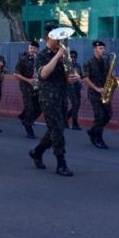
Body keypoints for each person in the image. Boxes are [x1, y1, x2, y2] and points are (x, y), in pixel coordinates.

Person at [28, 25, 81, 176]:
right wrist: (58, 55)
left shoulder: (65, 54)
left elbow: (70, 73)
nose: (59, 40)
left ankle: (37, 152)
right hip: (48, 98)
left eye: (60, 37)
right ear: (47, 38)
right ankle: (61, 163)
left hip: (62, 96)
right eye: (55, 37)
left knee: (57, 128)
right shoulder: (42, 55)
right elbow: (43, 74)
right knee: (57, 129)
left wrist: (76, 76)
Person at [82, 40, 112, 149]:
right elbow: (85, 78)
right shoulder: (88, 62)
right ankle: (98, 139)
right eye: (100, 48)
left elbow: (109, 76)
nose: (103, 50)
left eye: (103, 48)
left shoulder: (105, 62)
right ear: (94, 49)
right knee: (99, 116)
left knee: (108, 115)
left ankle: (92, 130)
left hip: (105, 92)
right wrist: (97, 89)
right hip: (94, 93)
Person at [13, 41, 41, 139]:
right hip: (26, 86)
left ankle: (24, 117)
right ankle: (29, 128)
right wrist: (28, 80)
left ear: (37, 49)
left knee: (39, 108)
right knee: (30, 108)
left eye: (34, 48)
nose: (32, 50)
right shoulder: (23, 59)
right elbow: (15, 74)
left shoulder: (40, 60)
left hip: (38, 86)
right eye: (30, 48)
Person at [66, 50, 82, 130]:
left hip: (77, 87)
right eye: (71, 56)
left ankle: (65, 119)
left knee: (78, 104)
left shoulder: (78, 66)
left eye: (74, 57)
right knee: (75, 104)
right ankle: (74, 123)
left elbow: (81, 76)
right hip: (69, 87)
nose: (73, 58)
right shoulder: (66, 66)